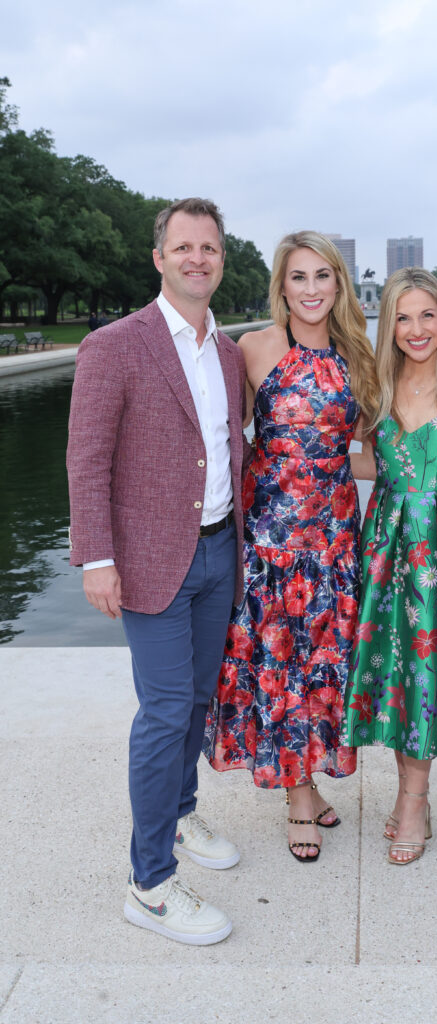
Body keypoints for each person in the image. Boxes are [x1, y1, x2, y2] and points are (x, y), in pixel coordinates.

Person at [67, 197, 250, 945]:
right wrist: (98, 558)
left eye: (208, 248)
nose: (197, 259)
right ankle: (149, 886)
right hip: (146, 559)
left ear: (219, 258)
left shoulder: (230, 352)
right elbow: (87, 459)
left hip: (217, 549)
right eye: (184, 247)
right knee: (166, 711)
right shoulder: (115, 345)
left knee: (199, 702)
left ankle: (178, 815)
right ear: (159, 258)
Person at [204, 230, 378, 862]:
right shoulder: (253, 349)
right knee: (284, 659)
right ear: (282, 285)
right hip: (272, 537)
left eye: (322, 276)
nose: (311, 289)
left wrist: (411, 472)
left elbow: (358, 454)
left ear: (339, 284)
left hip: (333, 536)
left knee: (324, 659)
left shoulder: (359, 354)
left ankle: (307, 772)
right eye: (298, 277)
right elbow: (219, 432)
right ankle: (298, 794)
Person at [343, 268, 437, 866]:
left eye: (426, 315)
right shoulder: (373, 386)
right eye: (402, 317)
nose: (415, 329)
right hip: (383, 547)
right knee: (391, 674)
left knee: (427, 676)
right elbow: (359, 462)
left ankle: (414, 800)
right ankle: (413, 797)